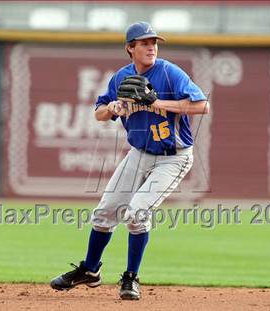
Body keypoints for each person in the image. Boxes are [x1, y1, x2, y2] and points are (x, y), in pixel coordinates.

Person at [50, 21, 209, 300]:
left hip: (174, 157)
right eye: (145, 43)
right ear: (130, 48)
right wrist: (111, 107)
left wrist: (157, 103)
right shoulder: (121, 78)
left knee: (136, 213)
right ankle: (89, 269)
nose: (151, 47)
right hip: (139, 154)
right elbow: (99, 112)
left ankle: (131, 278)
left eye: (154, 42)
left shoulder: (170, 73)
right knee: (104, 213)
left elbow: (202, 105)